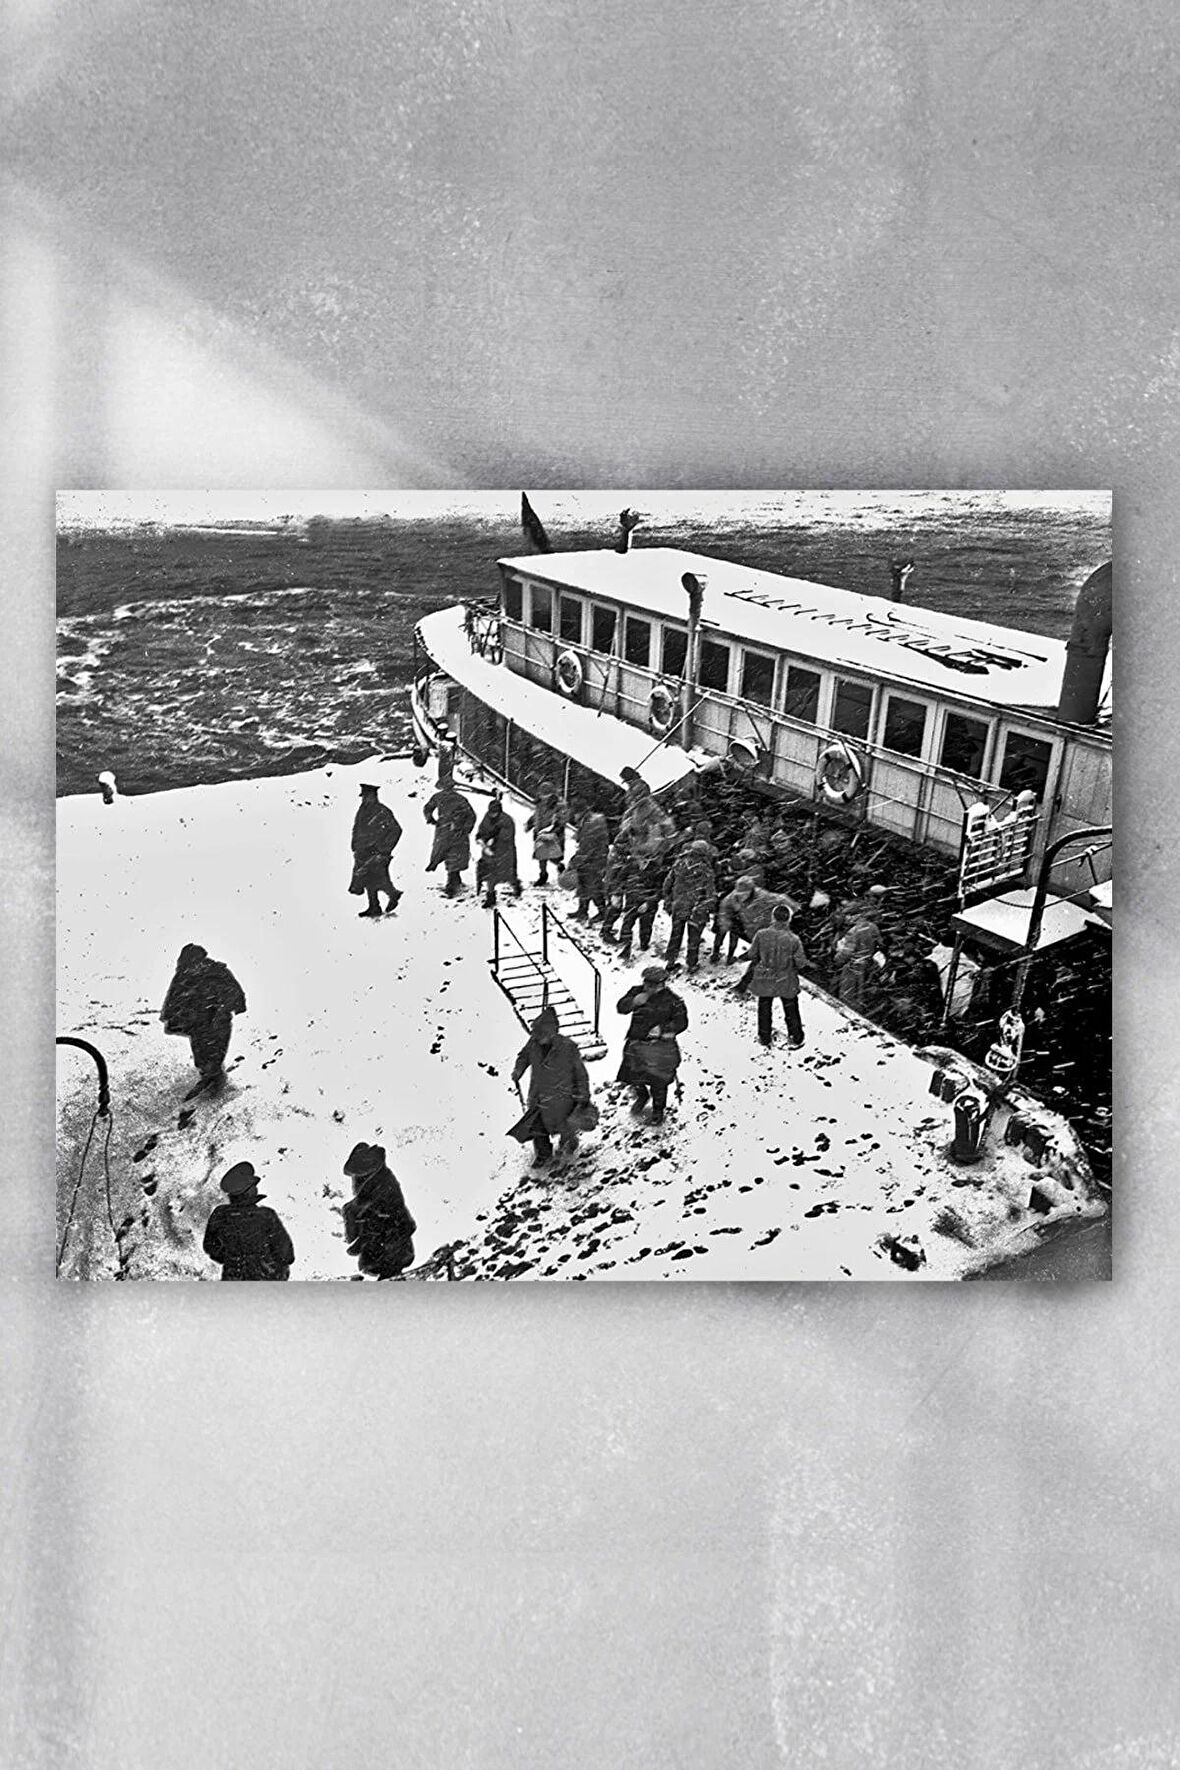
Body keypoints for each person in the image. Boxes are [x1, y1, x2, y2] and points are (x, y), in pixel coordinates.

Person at [160, 943, 247, 1100]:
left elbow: (234, 992)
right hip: (198, 1025)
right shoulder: (185, 975)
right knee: (201, 1054)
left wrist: (223, 1008)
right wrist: (173, 1018)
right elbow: (175, 997)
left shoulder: (217, 972)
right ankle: (208, 1080)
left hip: (216, 1022)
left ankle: (215, 1085)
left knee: (213, 1053)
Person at [510, 1006, 592, 1166]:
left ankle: (569, 1141)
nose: (538, 1037)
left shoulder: (568, 1047)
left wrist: (583, 1094)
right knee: (537, 1126)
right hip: (538, 1095)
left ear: (552, 1032)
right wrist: (518, 1070)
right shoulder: (533, 1044)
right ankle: (543, 1154)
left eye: (541, 1034)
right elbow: (523, 1056)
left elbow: (580, 1073)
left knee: (564, 1124)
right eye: (537, 1034)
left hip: (562, 1096)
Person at [616, 964, 689, 1124]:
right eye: (647, 984)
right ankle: (642, 1096)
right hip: (636, 1043)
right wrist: (633, 1001)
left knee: (658, 1081)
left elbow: (682, 1022)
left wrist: (663, 1030)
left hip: (659, 1048)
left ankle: (658, 1109)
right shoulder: (637, 992)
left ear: (662, 984)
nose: (648, 988)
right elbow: (621, 1007)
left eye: (653, 985)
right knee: (632, 1075)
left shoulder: (673, 1001)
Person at [202, 1161, 294, 1280]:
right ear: (248, 1191)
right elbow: (286, 1255)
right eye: (253, 1186)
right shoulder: (266, 1216)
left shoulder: (220, 1215)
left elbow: (210, 1247)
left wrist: (233, 1259)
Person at [736, 902, 807, 1048]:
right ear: (788, 920)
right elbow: (800, 963)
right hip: (786, 978)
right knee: (791, 1008)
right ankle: (796, 1036)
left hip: (765, 975)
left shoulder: (762, 935)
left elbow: (752, 954)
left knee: (764, 1006)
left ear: (773, 918)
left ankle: (765, 1036)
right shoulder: (793, 939)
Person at [342, 1142, 417, 1279]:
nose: (355, 1180)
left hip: (391, 1239)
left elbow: (373, 1204)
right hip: (383, 1239)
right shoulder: (373, 1179)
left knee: (390, 1271)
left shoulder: (383, 1181)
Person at [661, 837, 716, 970]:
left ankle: (670, 961)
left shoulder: (679, 863)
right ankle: (691, 964)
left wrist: (669, 898)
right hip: (696, 909)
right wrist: (707, 906)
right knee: (694, 938)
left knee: (675, 934)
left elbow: (667, 884)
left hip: (679, 905)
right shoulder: (706, 870)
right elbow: (710, 894)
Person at [350, 782, 403, 918]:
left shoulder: (382, 811)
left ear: (374, 796)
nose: (364, 799)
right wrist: (354, 843)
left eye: (366, 796)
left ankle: (393, 894)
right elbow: (357, 827)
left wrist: (384, 849)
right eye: (363, 796)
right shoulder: (363, 810)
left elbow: (396, 830)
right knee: (368, 879)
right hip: (363, 851)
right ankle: (374, 906)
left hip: (377, 852)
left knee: (379, 878)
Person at [714, 875, 793, 963]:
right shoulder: (732, 898)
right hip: (744, 923)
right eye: (739, 894)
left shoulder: (761, 895)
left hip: (756, 923)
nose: (741, 896)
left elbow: (780, 898)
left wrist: (794, 907)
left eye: (744, 893)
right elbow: (724, 908)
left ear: (751, 891)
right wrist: (725, 923)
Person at [424, 780, 477, 897]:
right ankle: (453, 880)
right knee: (455, 854)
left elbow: (427, 808)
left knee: (446, 851)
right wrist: (466, 829)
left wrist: (430, 819)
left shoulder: (438, 797)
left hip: (444, 830)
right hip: (457, 831)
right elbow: (471, 815)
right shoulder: (461, 799)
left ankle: (452, 882)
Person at [476, 792, 522, 909]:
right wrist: (480, 836)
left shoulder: (507, 820)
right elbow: (482, 829)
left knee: (508, 874)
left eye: (495, 812)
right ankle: (490, 896)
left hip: (505, 853)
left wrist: (496, 835)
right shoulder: (486, 817)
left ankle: (516, 885)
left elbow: (508, 835)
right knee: (490, 875)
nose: (492, 815)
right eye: (491, 812)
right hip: (490, 854)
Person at [834, 915, 884, 1013]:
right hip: (866, 964)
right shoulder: (873, 927)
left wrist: (838, 959)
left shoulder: (854, 931)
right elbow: (880, 943)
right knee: (860, 990)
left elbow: (847, 952)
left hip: (853, 965)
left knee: (847, 993)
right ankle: (860, 1009)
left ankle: (848, 1012)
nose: (848, 918)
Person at [569, 806, 610, 921]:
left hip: (594, 861)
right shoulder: (590, 821)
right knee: (583, 884)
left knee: (593, 887)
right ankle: (582, 910)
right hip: (595, 858)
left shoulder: (590, 825)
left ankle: (603, 911)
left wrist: (574, 862)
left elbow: (586, 849)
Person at [525, 786, 567, 885]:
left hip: (553, 836)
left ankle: (561, 868)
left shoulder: (558, 806)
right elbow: (535, 815)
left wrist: (557, 829)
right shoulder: (539, 805)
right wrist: (530, 823)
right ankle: (543, 875)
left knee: (554, 857)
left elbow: (561, 820)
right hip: (540, 834)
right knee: (541, 856)